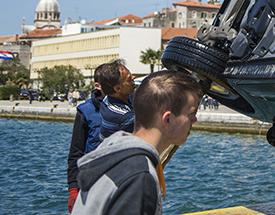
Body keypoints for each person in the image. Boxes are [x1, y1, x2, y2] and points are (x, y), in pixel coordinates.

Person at [72, 70, 202, 215]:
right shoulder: (140, 176)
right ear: (167, 119)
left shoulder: (116, 151)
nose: (194, 120)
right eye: (191, 114)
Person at [67, 63, 110, 212]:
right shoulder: (85, 111)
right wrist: (73, 188)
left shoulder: (130, 107)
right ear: (98, 86)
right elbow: (76, 151)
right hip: (93, 181)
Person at [99, 61, 137, 139]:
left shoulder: (107, 100)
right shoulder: (125, 116)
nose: (134, 77)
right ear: (118, 88)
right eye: (129, 79)